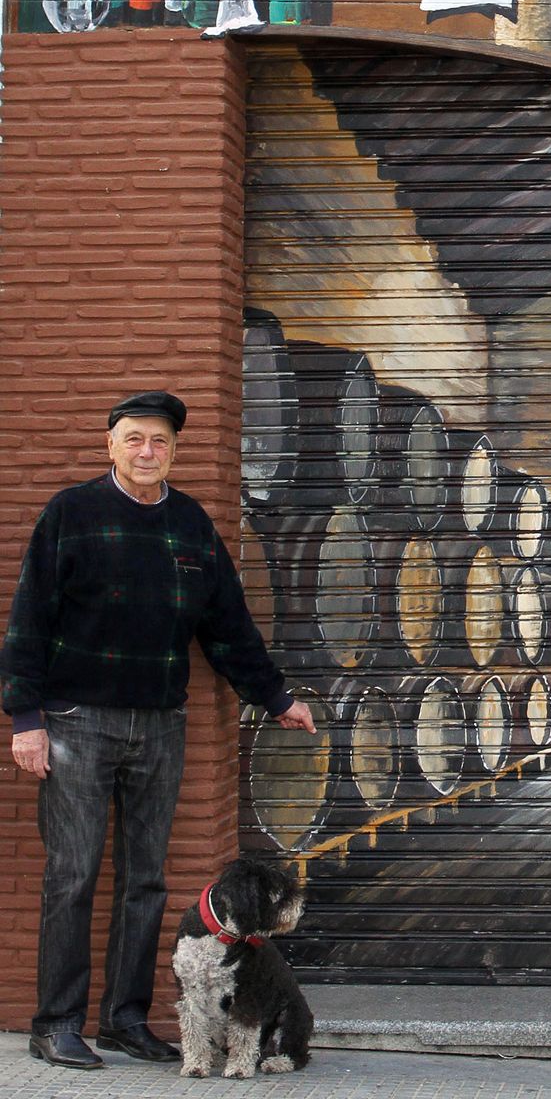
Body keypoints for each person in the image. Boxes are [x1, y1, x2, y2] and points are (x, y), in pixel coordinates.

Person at [1, 391, 316, 1070]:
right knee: (73, 875)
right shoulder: (72, 514)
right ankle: (56, 1022)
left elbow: (226, 624)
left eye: (160, 442)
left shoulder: (190, 524)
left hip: (159, 726)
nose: (148, 452)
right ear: (110, 445)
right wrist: (25, 721)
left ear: (173, 450)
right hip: (76, 723)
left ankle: (123, 1020)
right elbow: (29, 620)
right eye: (135, 439)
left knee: (145, 880)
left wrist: (273, 696)